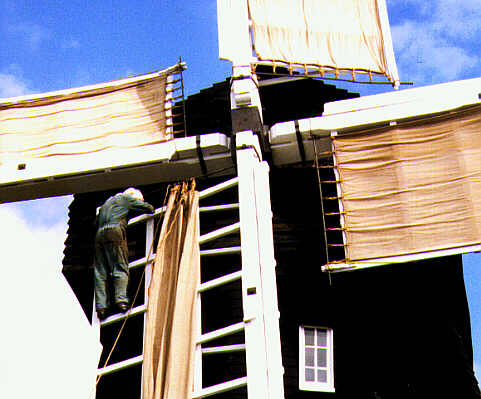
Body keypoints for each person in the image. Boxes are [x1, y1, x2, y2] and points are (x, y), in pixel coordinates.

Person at [94, 188, 154, 320]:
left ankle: (101, 307)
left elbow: (96, 222)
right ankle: (121, 301)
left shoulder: (106, 204)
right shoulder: (126, 198)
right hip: (115, 229)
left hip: (99, 235)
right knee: (120, 266)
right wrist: (149, 207)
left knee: (100, 271)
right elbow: (148, 208)